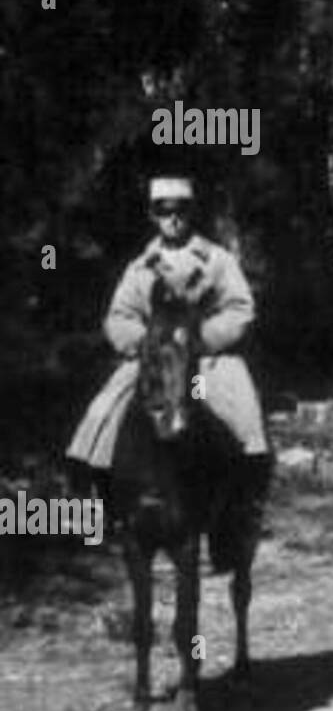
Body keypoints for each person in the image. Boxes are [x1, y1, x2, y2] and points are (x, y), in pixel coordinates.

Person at [66, 176, 272, 568]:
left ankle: (235, 517)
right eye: (164, 211)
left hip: (206, 358)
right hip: (153, 358)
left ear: (191, 213)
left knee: (242, 419)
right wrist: (146, 344)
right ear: (153, 215)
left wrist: (203, 339)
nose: (173, 219)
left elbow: (240, 308)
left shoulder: (216, 260)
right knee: (100, 415)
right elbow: (119, 316)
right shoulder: (140, 267)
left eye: (180, 210)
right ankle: (105, 509)